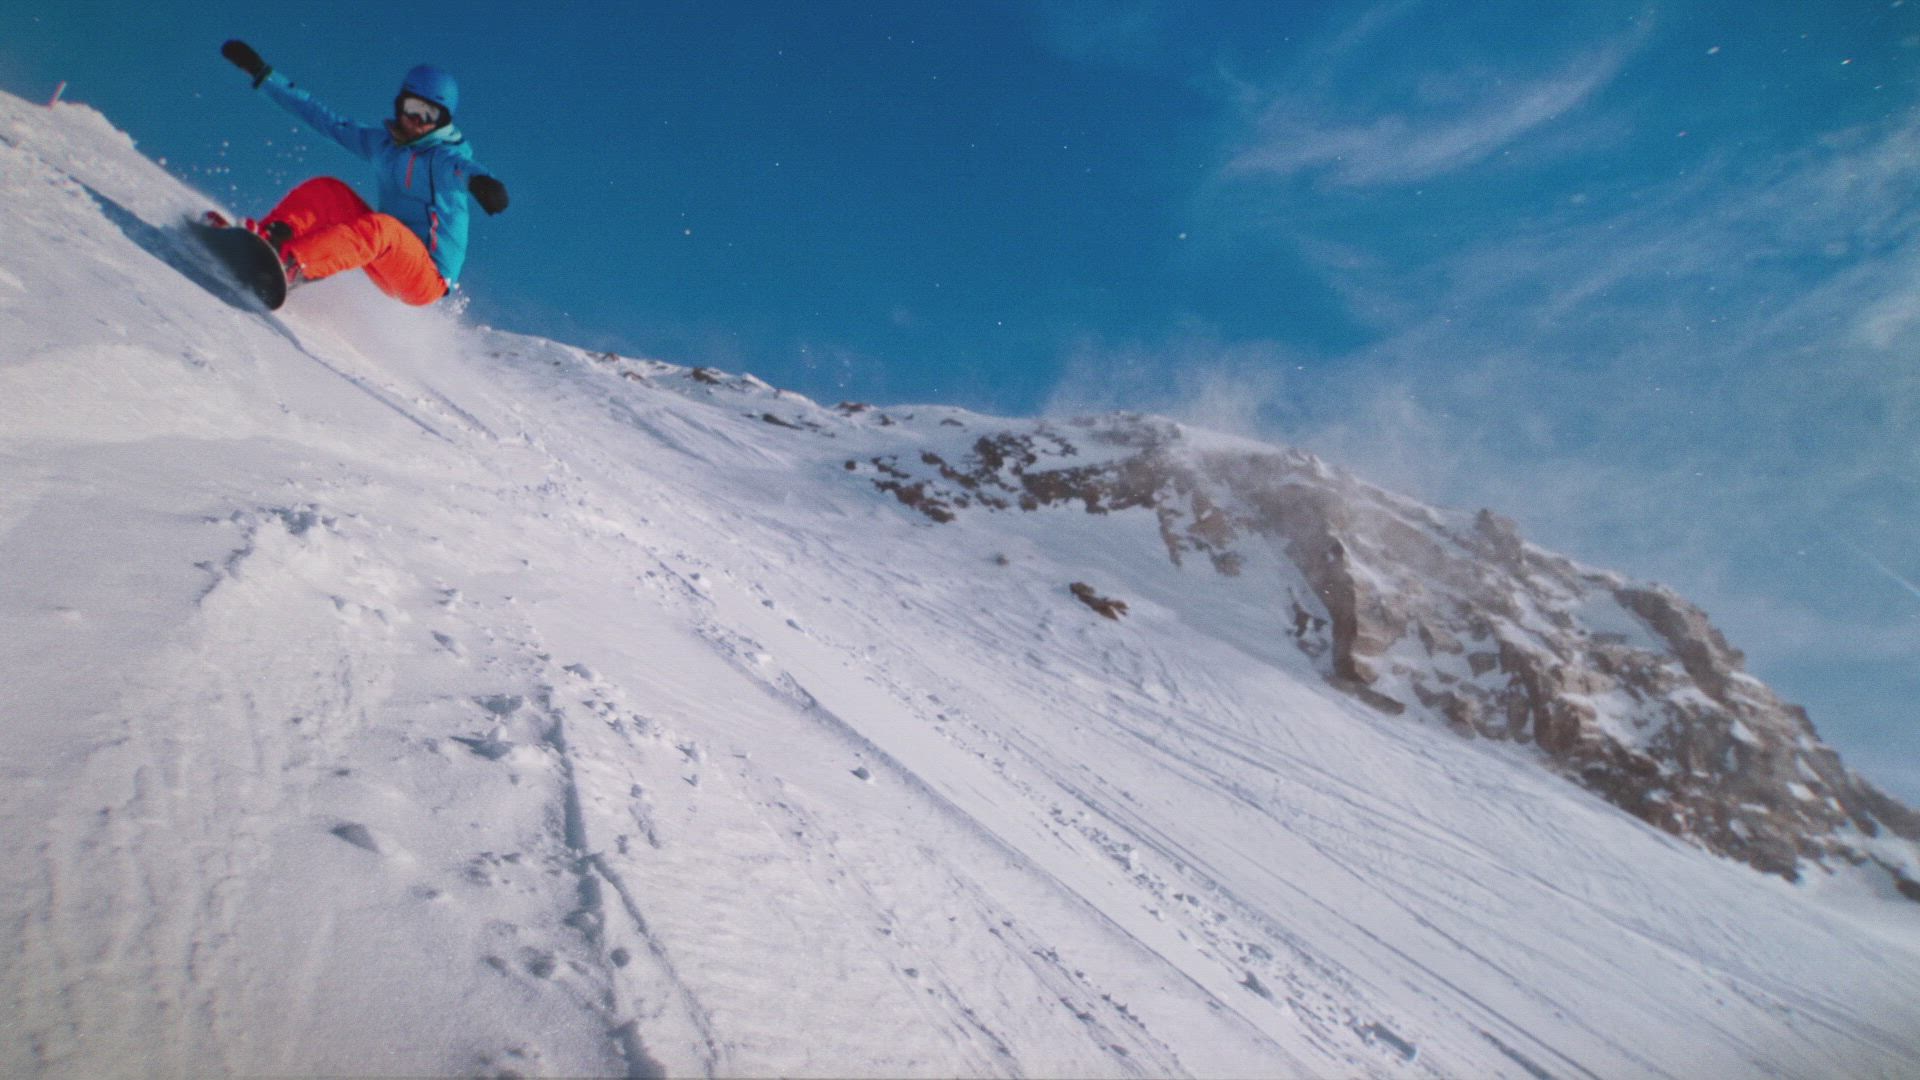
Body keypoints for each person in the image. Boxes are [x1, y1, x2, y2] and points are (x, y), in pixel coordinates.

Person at [217, 40, 509, 306]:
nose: (417, 120)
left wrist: (484, 183)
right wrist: (264, 75)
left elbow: (464, 169)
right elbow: (324, 119)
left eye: (430, 114)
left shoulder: (443, 158)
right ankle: (272, 240)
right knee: (328, 190)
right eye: (412, 108)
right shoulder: (382, 143)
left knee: (384, 228)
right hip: (383, 255)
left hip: (427, 277)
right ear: (400, 105)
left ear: (443, 121)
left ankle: (292, 266)